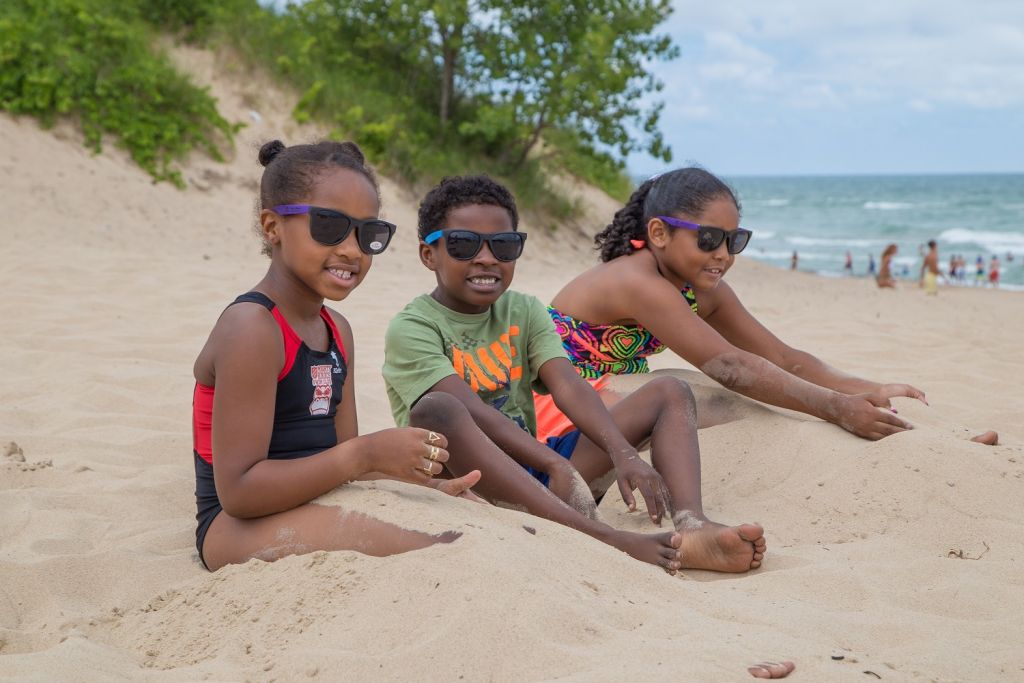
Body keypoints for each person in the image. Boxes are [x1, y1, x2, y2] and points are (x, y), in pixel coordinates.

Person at [383, 175, 767, 574]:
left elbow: (566, 383)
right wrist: (555, 465)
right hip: (468, 480)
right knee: (437, 410)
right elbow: (470, 411)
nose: (486, 258)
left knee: (670, 391)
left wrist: (623, 452)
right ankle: (606, 538)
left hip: (534, 470)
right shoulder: (413, 327)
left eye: (503, 245)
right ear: (429, 255)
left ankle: (692, 527)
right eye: (464, 244)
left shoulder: (523, 310)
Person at [191, 140, 483, 572]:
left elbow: (344, 461)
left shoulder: (336, 330)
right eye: (329, 226)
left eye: (368, 235)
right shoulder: (252, 328)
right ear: (273, 226)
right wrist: (366, 454)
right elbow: (239, 492)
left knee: (469, 529)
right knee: (439, 551)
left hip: (317, 498)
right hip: (234, 525)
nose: (352, 250)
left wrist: (419, 486)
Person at [539, 166, 933, 442]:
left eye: (735, 240)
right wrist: (836, 407)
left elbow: (781, 356)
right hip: (554, 406)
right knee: (718, 399)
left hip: (610, 397)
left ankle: (935, 440)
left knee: (736, 395)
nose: (724, 255)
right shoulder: (635, 280)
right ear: (658, 233)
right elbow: (728, 366)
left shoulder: (700, 289)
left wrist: (871, 388)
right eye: (709, 238)